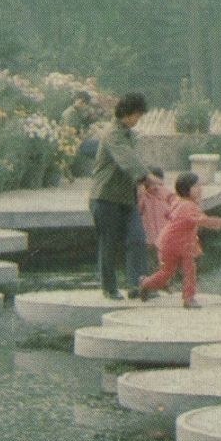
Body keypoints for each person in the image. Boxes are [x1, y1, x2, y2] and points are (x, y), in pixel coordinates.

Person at [138, 172, 221, 307]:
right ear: (186, 189)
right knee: (188, 270)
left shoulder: (179, 200)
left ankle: (145, 283)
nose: (200, 189)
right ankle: (188, 298)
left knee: (167, 272)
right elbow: (204, 220)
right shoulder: (189, 206)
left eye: (200, 186)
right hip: (180, 244)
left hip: (168, 243)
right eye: (196, 186)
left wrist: (155, 187)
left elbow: (167, 195)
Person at [88, 92, 151, 299]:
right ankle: (109, 288)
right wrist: (146, 177)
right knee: (109, 243)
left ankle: (137, 285)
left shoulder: (129, 134)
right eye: (137, 115)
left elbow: (134, 158)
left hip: (126, 197)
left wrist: (146, 176)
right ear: (128, 113)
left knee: (137, 238)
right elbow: (126, 159)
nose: (138, 120)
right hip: (105, 196)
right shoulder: (112, 133)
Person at [137, 167, 175, 268]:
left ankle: (164, 274)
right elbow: (139, 211)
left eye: (158, 184)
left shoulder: (167, 194)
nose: (155, 187)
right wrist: (140, 194)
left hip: (163, 230)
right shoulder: (144, 196)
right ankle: (150, 270)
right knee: (149, 252)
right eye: (152, 184)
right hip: (149, 230)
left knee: (163, 252)